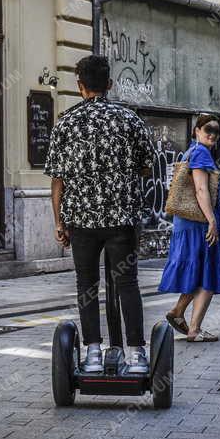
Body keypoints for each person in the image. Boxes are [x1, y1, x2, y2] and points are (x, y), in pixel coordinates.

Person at [46, 55, 153, 373]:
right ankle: (136, 354)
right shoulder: (129, 119)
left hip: (82, 221)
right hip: (121, 220)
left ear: (80, 86)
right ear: (109, 84)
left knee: (86, 285)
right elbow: (146, 168)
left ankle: (92, 352)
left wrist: (59, 223)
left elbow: (57, 180)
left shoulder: (66, 121)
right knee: (127, 284)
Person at [159, 114, 220, 342]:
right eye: (207, 129)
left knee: (198, 271)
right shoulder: (200, 153)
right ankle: (195, 329)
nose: (212, 134)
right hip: (198, 224)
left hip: (188, 223)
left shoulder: (190, 151)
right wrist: (211, 220)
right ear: (196, 130)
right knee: (208, 274)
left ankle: (178, 312)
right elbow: (201, 190)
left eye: (216, 131)